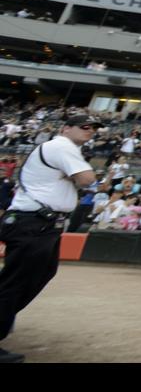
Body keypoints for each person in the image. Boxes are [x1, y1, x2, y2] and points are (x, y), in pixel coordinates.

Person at [0, 114, 100, 362]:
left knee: (35, 276)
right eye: (84, 126)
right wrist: (76, 176)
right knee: (17, 281)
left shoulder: (65, 148)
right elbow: (88, 179)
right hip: (33, 222)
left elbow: (85, 180)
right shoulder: (61, 145)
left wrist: (73, 176)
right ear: (66, 128)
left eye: (94, 128)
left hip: (41, 224)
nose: (90, 131)